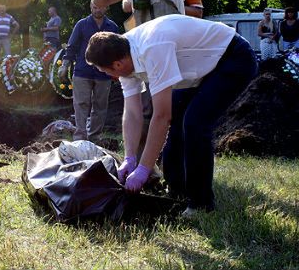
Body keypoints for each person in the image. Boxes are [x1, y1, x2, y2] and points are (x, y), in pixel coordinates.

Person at [85, 15, 258, 217]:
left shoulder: (152, 48)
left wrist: (143, 169)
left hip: (233, 58)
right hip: (199, 70)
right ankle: (176, 191)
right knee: (178, 120)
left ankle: (201, 204)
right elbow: (132, 113)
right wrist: (130, 157)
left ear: (117, 65)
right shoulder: (123, 55)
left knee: (195, 123)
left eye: (104, 71)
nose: (107, 76)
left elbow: (161, 116)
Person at [58, 3, 119, 141]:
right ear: (91, 7)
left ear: (106, 7)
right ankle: (80, 137)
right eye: (95, 7)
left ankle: (94, 138)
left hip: (104, 73)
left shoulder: (112, 27)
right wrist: (65, 65)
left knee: (100, 106)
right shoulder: (82, 25)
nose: (98, 9)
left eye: (101, 7)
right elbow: (72, 46)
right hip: (82, 71)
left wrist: (116, 71)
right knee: (81, 104)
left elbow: (117, 51)